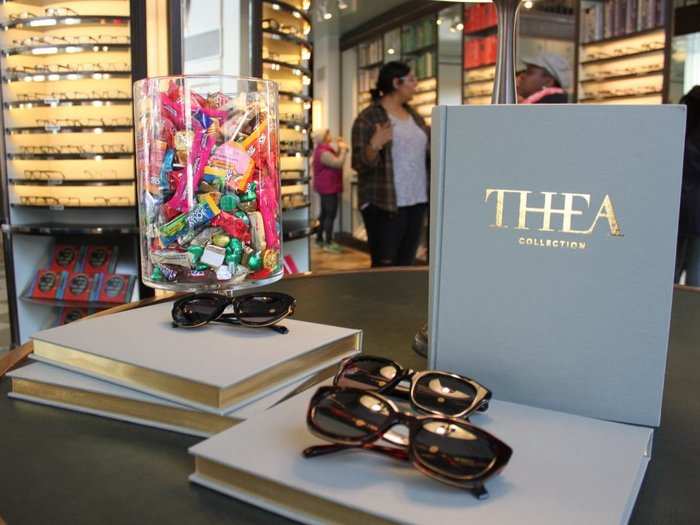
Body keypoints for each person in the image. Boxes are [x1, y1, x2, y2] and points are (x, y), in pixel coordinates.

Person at [351, 61, 429, 267]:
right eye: (412, 79)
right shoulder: (368, 118)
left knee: (406, 264)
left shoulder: (415, 116)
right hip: (384, 204)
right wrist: (375, 144)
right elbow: (359, 163)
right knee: (384, 268)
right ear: (397, 82)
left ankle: (402, 300)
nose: (416, 84)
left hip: (417, 202)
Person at [675, 86, 700, 286]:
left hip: (678, 205)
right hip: (691, 208)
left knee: (670, 270)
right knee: (695, 274)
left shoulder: (679, 135)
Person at [312, 128, 348, 253]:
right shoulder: (323, 152)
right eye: (327, 134)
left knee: (324, 213)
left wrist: (339, 146)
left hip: (325, 186)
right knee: (330, 214)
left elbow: (334, 159)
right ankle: (328, 242)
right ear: (323, 137)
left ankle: (320, 239)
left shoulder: (322, 150)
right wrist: (343, 149)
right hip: (328, 187)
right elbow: (338, 163)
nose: (330, 135)